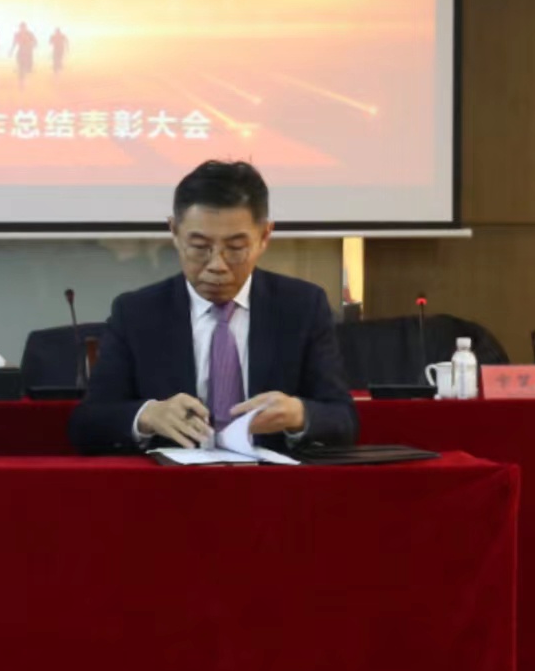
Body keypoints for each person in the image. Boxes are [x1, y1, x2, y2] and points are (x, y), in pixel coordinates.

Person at [69, 160, 356, 455]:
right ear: (174, 232)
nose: (217, 265)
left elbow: (343, 419)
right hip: (173, 479)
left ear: (264, 236)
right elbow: (88, 422)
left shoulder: (302, 307)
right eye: (199, 247)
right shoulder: (137, 312)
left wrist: (299, 415)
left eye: (235, 248)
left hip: (270, 478)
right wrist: (147, 415)